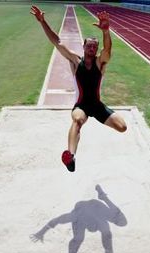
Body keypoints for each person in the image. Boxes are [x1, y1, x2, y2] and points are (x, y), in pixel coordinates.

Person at [30, 5, 127, 172]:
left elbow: (108, 50)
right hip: (81, 105)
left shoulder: (99, 63)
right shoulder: (75, 61)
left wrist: (105, 31)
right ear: (83, 47)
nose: (92, 48)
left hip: (97, 105)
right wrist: (42, 22)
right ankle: (71, 156)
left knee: (122, 127)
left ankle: (72, 154)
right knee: (77, 120)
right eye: (89, 46)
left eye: (94, 47)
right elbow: (57, 42)